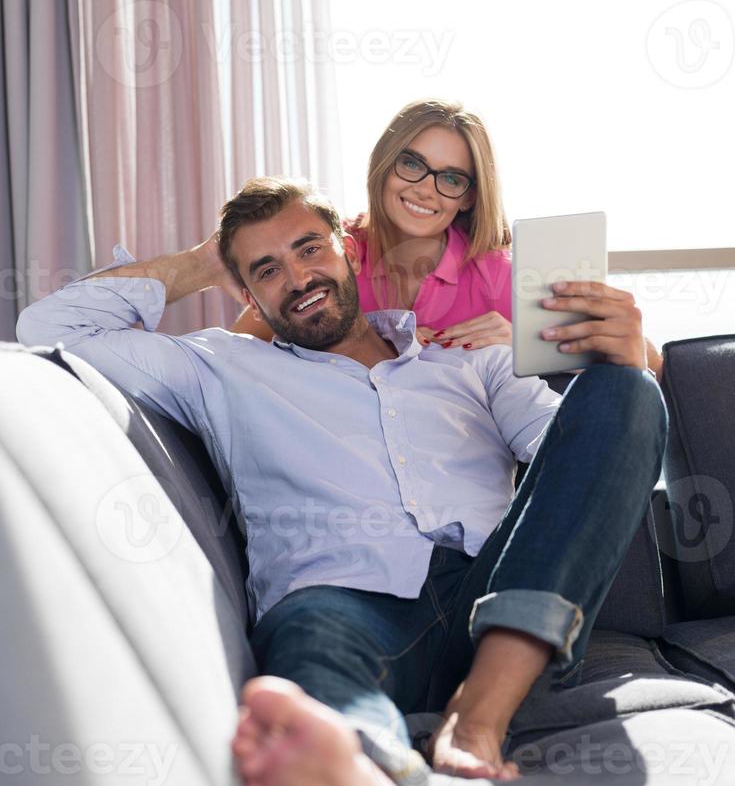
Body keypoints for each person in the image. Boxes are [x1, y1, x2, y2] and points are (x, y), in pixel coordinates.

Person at [17, 177, 667, 784]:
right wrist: (208, 260)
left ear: (349, 253)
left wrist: (626, 357)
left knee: (625, 391)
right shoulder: (216, 366)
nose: (297, 277)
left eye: (308, 249)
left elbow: (583, 451)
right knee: (313, 646)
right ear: (245, 293)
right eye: (265, 269)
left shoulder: (472, 364)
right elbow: (48, 329)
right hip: (345, 604)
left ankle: (479, 714)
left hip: (498, 596)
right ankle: (358, 760)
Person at [232, 100, 514, 353]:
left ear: (468, 197)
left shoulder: (501, 277)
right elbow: (235, 355)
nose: (426, 190)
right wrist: (365, 339)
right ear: (384, 163)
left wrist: (522, 352)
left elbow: (549, 385)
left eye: (452, 179)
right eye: (412, 164)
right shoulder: (324, 252)